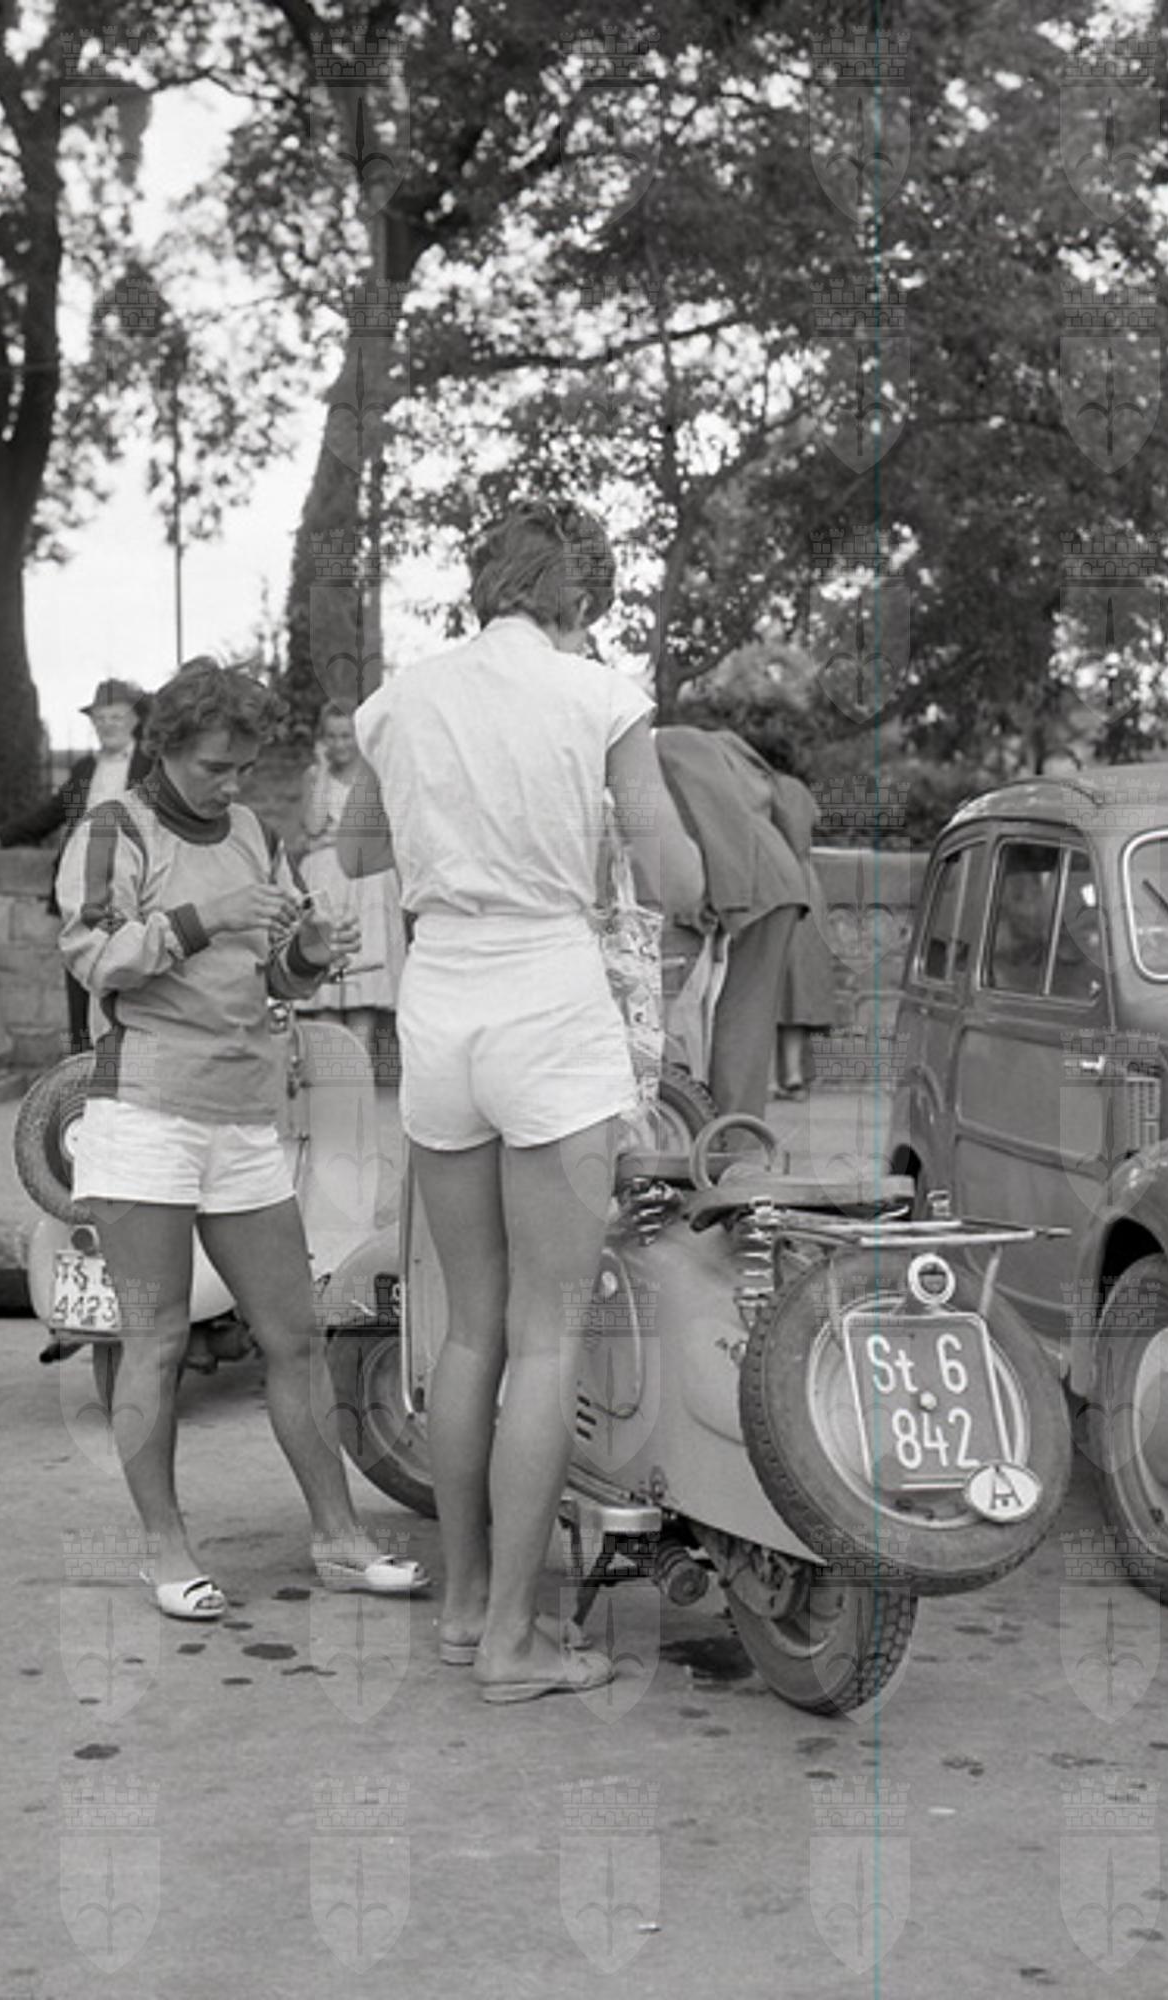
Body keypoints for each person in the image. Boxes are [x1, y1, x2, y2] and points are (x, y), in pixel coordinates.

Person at [340, 499, 704, 1703]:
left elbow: (354, 852)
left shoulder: (399, 699)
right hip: (547, 999)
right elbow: (677, 875)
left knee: (469, 1329)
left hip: (440, 1000)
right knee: (548, 1335)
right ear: (577, 597)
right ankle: (513, 1639)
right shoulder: (598, 695)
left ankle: (460, 1607)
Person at [58, 658, 426, 1623]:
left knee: (296, 1338)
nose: (232, 785)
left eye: (244, 769)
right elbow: (96, 955)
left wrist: (309, 954)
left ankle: (339, 1538)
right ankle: (165, 1548)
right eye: (215, 768)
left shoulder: (257, 833)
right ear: (166, 748)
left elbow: (275, 978)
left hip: (245, 1116)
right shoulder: (114, 829)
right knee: (155, 1343)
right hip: (145, 1115)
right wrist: (204, 917)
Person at [0, 678, 152, 1053]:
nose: (107, 725)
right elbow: (49, 814)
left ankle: (125, 1061)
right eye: (101, 718)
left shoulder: (151, 768)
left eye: (116, 717)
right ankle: (81, 1060)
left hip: (133, 885)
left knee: (129, 973)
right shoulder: (84, 770)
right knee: (81, 971)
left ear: (134, 721)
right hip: (83, 888)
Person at [653, 726, 811, 1119]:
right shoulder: (708, 743)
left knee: (742, 1014)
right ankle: (732, 1128)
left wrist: (722, 897)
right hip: (767, 881)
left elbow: (718, 813)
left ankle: (734, 1136)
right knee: (742, 1012)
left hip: (757, 884)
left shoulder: (670, 742)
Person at [292, 700, 405, 1064]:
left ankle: (358, 1074)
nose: (339, 744)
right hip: (325, 880)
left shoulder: (376, 775)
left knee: (364, 988)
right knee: (325, 987)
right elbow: (312, 826)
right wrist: (324, 770)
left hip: (366, 881)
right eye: (331, 737)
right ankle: (332, 1079)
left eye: (346, 736)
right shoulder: (315, 775)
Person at [771, 768, 842, 1100]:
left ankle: (773, 1078)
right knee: (797, 987)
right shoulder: (799, 789)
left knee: (770, 985)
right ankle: (793, 1074)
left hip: (775, 881)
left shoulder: (761, 785)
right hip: (805, 884)